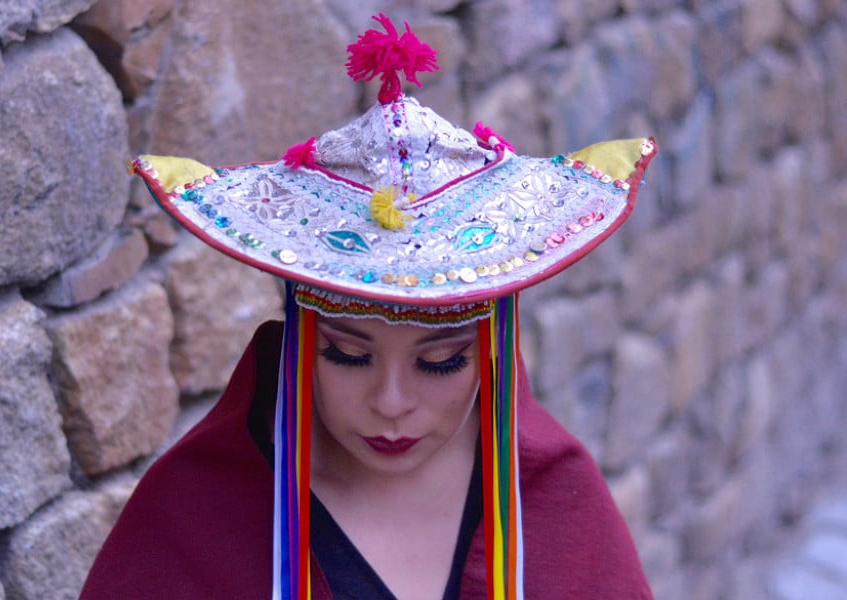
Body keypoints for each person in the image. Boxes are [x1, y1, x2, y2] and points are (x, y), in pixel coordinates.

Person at [81, 14, 656, 600]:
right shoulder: (192, 522)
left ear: (492, 347)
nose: (391, 403)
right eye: (348, 354)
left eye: (440, 363)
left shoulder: (559, 504)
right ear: (302, 338)